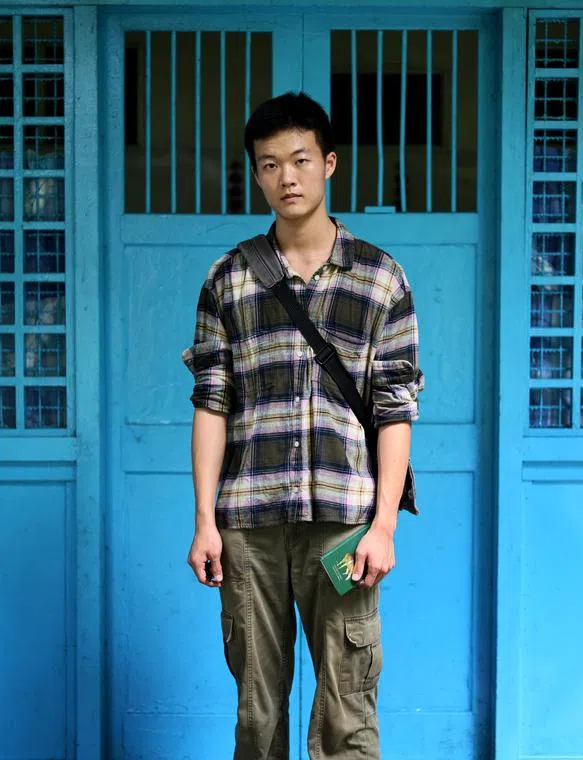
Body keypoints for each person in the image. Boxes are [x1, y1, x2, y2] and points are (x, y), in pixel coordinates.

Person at [180, 91, 424, 760]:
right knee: (256, 714)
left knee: (348, 707)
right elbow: (211, 402)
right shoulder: (229, 280)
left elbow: (395, 408)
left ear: (329, 163)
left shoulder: (380, 278)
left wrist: (383, 526)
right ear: (257, 174)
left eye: (300, 160)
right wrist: (204, 521)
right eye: (269, 165)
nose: (286, 177)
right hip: (249, 525)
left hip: (344, 526)